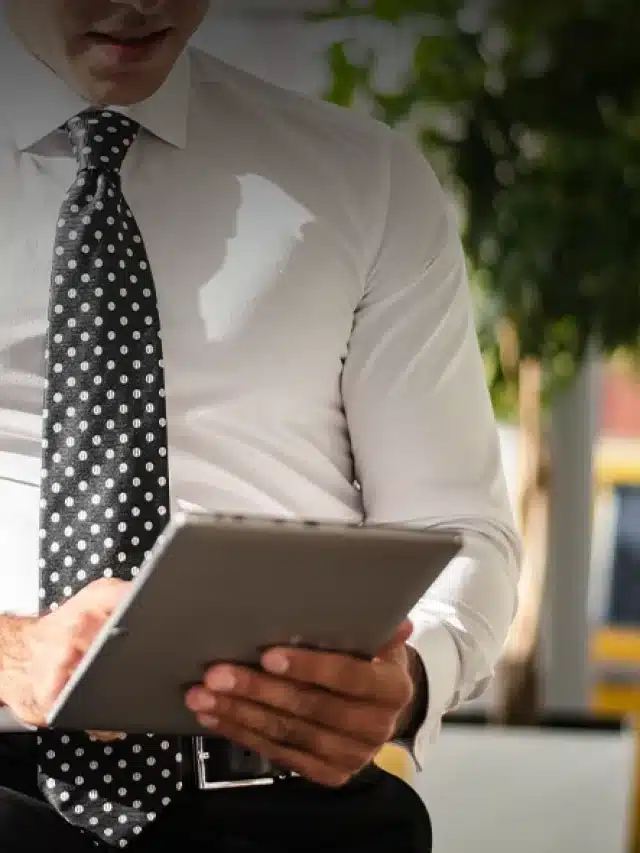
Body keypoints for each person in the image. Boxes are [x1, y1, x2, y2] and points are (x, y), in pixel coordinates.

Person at [0, 1, 521, 851]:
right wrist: (12, 652)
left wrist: (411, 675)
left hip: (294, 807)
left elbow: (457, 530)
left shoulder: (366, 181)